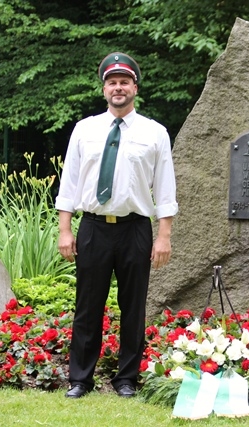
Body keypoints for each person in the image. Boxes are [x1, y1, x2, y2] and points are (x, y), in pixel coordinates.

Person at [56, 52, 178, 399]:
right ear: (104, 89)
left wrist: (164, 236)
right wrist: (65, 230)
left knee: (133, 307)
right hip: (93, 228)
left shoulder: (155, 133)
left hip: (134, 229)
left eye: (124, 82)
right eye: (112, 82)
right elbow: (70, 182)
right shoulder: (85, 130)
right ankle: (80, 379)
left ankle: (127, 378)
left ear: (135, 88)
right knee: (87, 306)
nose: (118, 87)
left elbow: (165, 187)